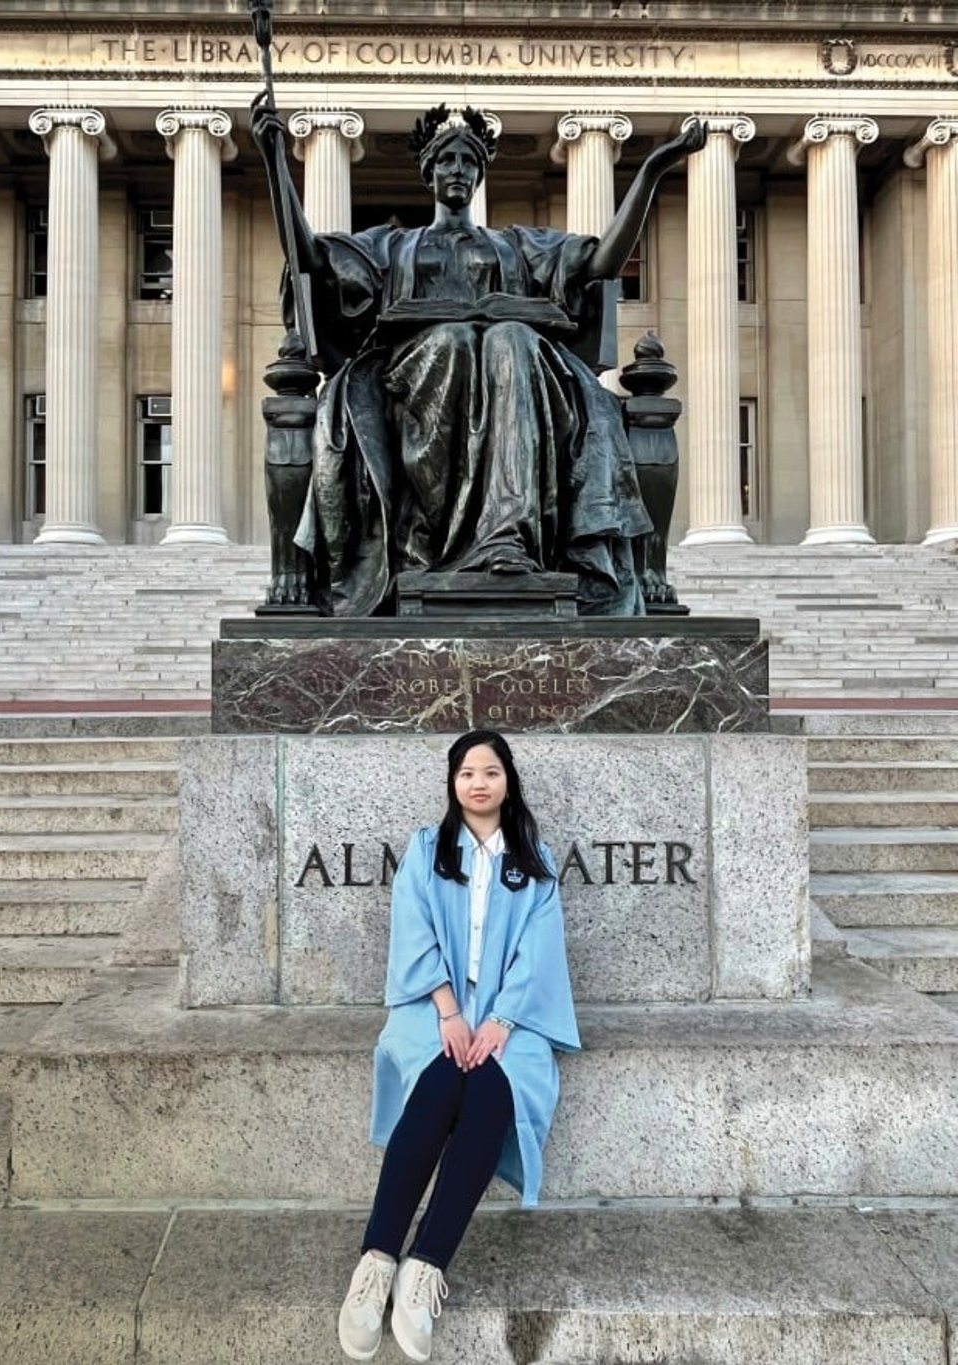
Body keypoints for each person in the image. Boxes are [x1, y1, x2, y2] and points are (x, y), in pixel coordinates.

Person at [250, 102, 706, 617]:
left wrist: (651, 171)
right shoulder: (392, 245)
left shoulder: (515, 245)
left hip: (516, 367)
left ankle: (506, 538)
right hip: (412, 374)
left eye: (468, 163)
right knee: (455, 341)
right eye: (446, 162)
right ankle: (442, 543)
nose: (457, 172)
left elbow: (602, 262)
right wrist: (274, 163)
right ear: (428, 172)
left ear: (480, 174)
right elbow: (310, 257)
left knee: (510, 338)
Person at [337, 730, 580, 1362]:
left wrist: (499, 1021)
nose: (479, 782)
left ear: (508, 782)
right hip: (433, 1007)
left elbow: (538, 953)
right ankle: (378, 1260)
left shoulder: (534, 861)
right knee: (440, 1081)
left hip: (511, 1017)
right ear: (453, 783)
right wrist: (448, 1012)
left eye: (491, 771)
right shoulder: (427, 850)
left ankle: (426, 1266)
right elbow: (413, 931)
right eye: (467, 772)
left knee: (493, 1092)